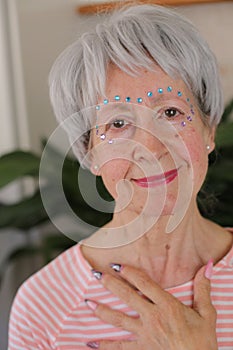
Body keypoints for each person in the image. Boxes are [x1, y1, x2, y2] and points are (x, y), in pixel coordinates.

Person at [8, 4, 233, 349]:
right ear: (90, 152)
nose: (151, 149)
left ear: (208, 129)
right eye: (118, 124)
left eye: (170, 112)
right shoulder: (43, 307)